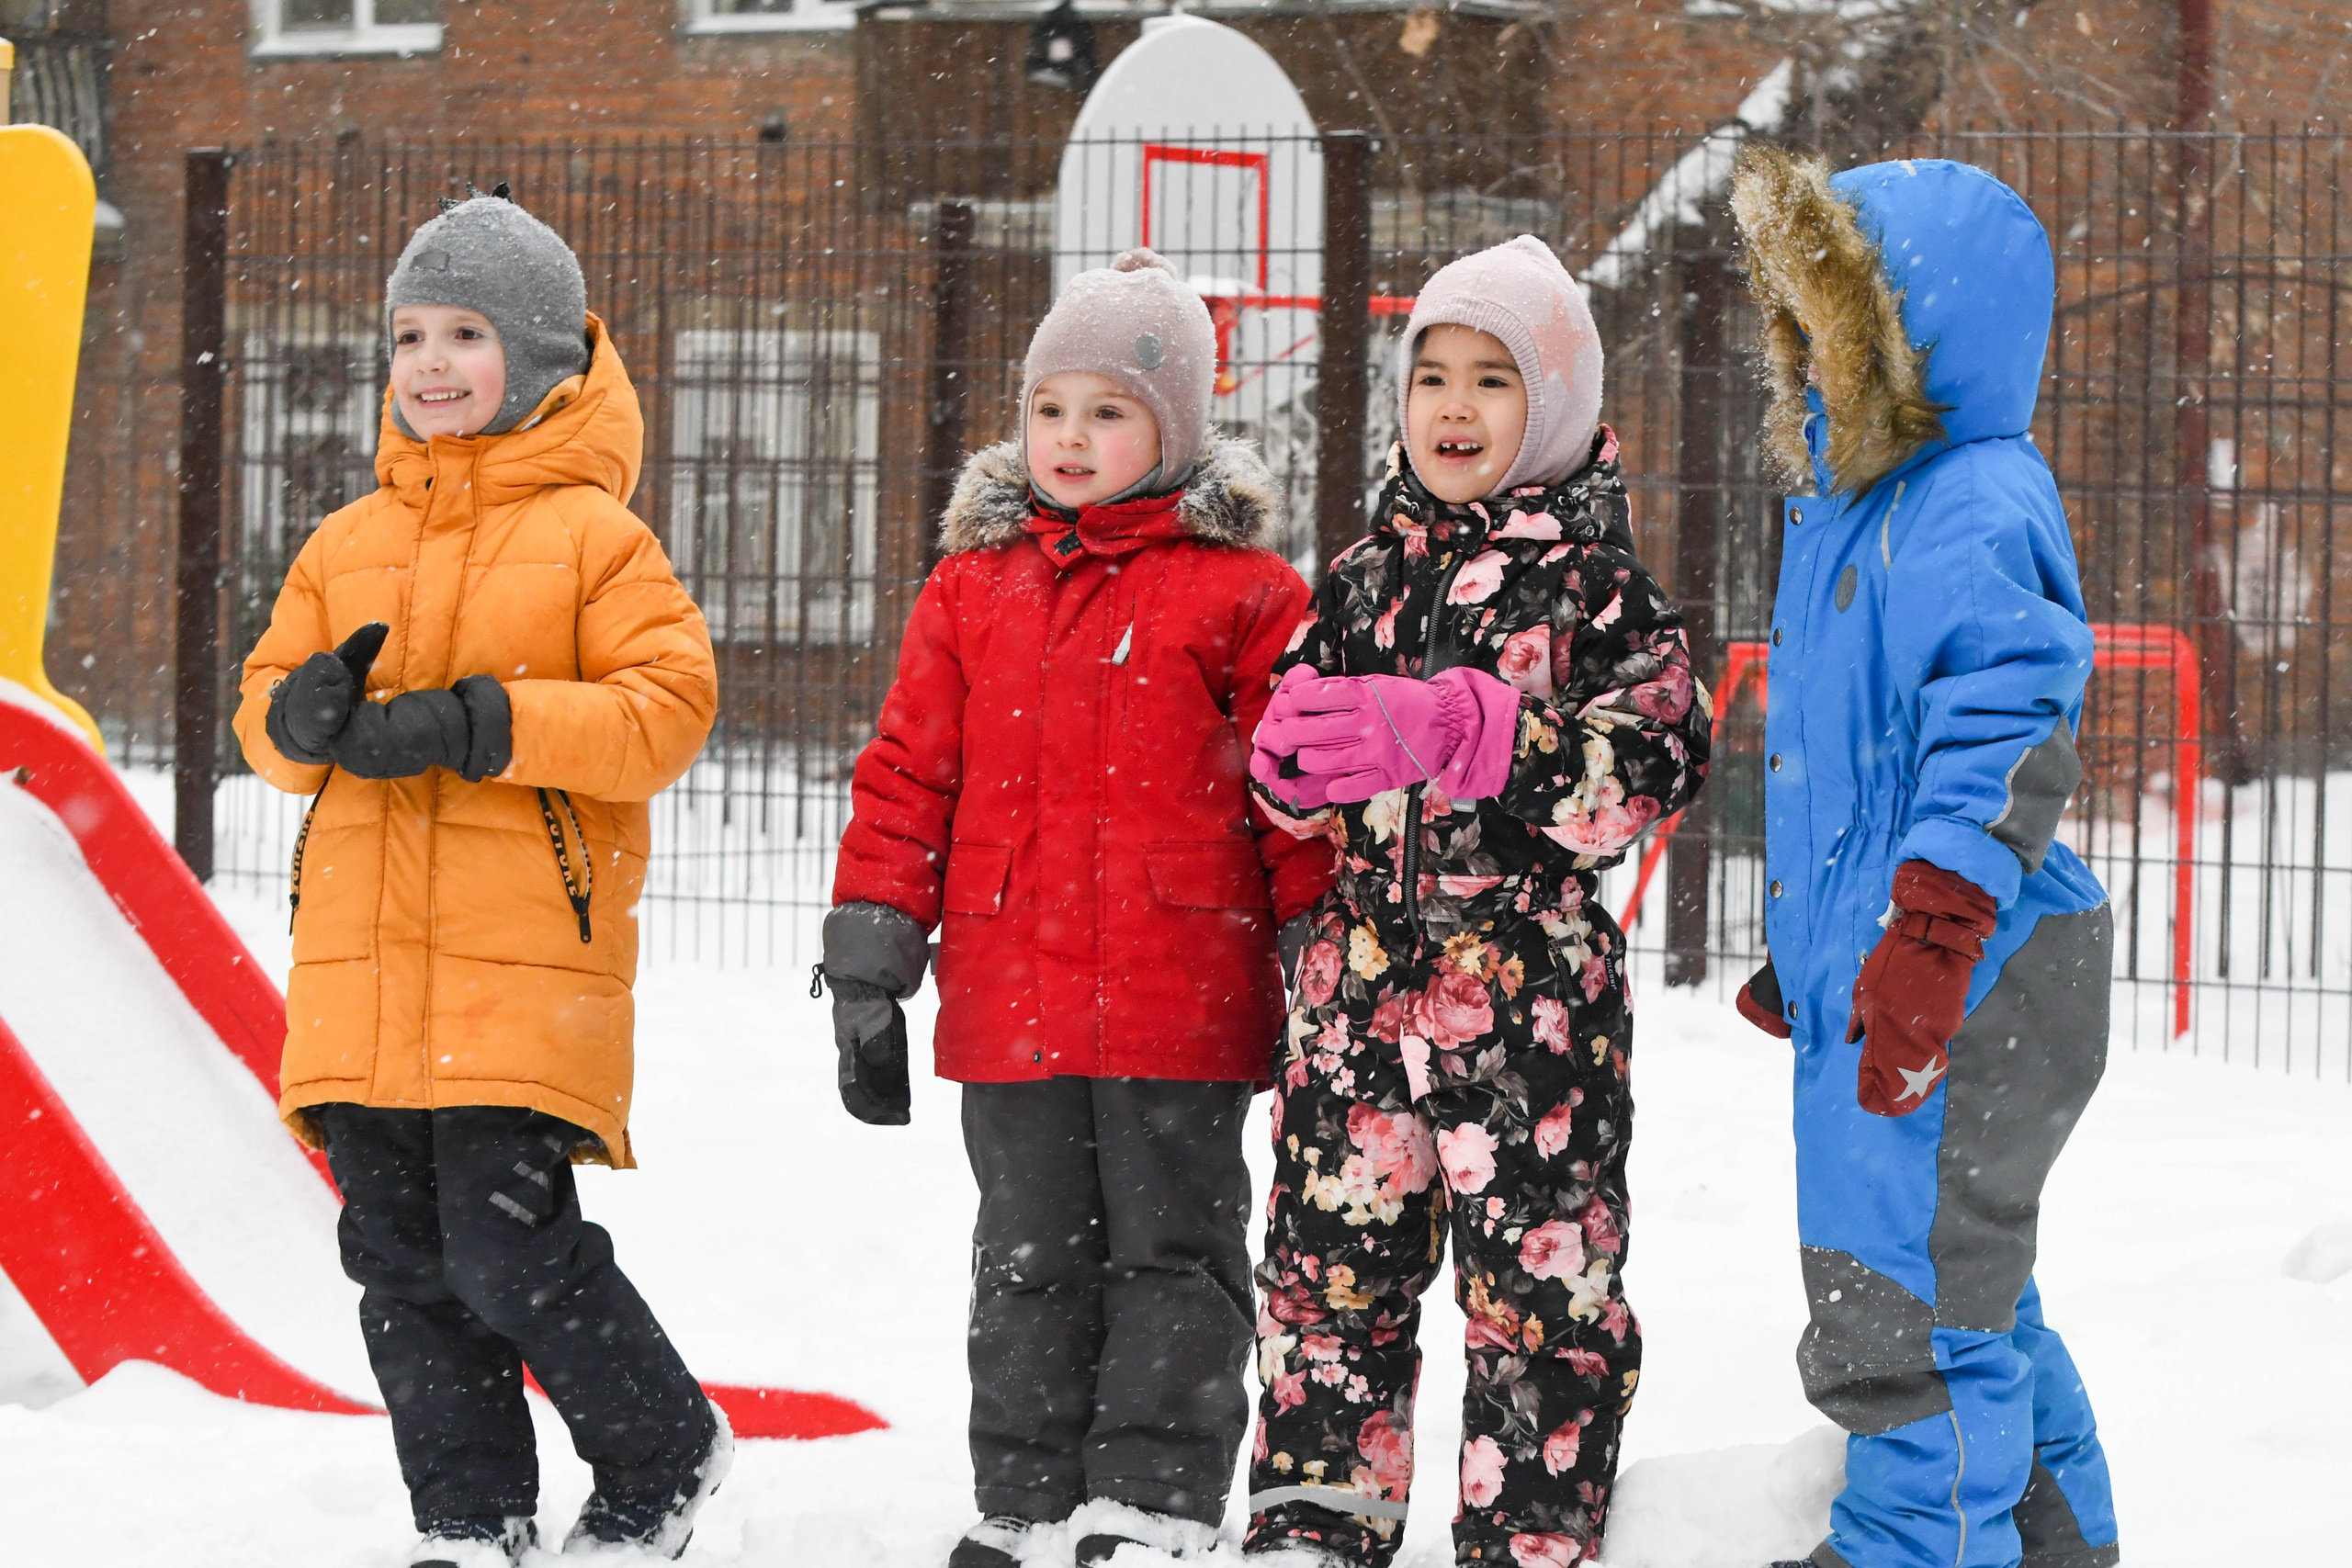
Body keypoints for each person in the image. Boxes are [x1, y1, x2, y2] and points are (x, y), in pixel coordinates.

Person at [819, 250, 1335, 1568]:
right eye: (1053, 408)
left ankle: (1150, 1500)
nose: (1071, 437)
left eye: (1110, 411)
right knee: (1028, 1257)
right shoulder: (970, 591)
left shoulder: (1247, 597)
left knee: (1174, 1250)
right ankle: (1029, 1496)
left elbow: (1295, 797)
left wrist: (1316, 945)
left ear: (1175, 430)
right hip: (1014, 991)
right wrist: (875, 949)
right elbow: (908, 773)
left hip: (1182, 990)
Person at [234, 189, 727, 1568]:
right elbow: (263, 705)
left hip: (524, 972)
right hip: (364, 973)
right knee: (399, 1266)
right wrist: (301, 717)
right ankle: (469, 1515)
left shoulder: (595, 539)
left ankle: (659, 1449)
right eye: (410, 335)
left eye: (466, 333)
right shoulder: (344, 544)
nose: (432, 363)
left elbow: (665, 710)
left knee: (508, 1251)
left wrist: (484, 721)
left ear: (545, 360)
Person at [1244, 235, 1712, 1568]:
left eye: (1492, 379)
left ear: (1554, 403)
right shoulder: (1362, 575)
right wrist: (1282, 771)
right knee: (1330, 1285)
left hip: (1526, 1018)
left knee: (1540, 1300)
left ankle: (1527, 1538)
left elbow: (1655, 763)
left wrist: (1482, 733)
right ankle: (1314, 1529)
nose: (1452, 406)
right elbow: (1297, 727)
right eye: (1431, 375)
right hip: (1356, 1002)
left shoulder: (1601, 590)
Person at [1727, 148, 2120, 1568]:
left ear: (1912, 343)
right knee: (1970, 1279)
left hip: (1975, 959)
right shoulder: (1854, 508)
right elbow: (1849, 761)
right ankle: (2052, 1527)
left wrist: (1931, 936)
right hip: (1912, 951)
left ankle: (1916, 1546)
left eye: (1833, 328)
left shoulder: (1967, 503)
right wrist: (1818, 953)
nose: (1811, 360)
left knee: (1899, 1293)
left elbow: (2009, 731)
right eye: (1798, 332)